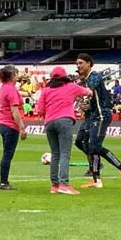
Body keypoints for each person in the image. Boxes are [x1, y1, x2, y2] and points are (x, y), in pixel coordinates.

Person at [75, 53, 121, 189]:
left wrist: (84, 92)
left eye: (81, 63)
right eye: (77, 63)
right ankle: (96, 179)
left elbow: (93, 87)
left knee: (94, 147)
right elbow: (95, 98)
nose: (78, 66)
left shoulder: (93, 76)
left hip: (102, 116)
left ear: (89, 63)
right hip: (93, 115)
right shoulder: (87, 78)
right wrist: (87, 107)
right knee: (84, 143)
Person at [36, 66, 92, 195]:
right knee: (65, 153)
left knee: (55, 154)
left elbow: (39, 110)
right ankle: (64, 184)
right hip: (65, 120)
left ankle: (54, 185)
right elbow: (88, 92)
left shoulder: (46, 90)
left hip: (49, 123)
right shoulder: (71, 87)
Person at [0, 65, 27, 191]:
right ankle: (3, 182)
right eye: (16, 74)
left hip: (3, 123)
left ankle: (3, 181)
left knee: (6, 153)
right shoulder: (11, 90)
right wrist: (22, 128)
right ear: (12, 76)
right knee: (8, 154)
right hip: (10, 125)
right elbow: (15, 111)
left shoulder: (4, 88)